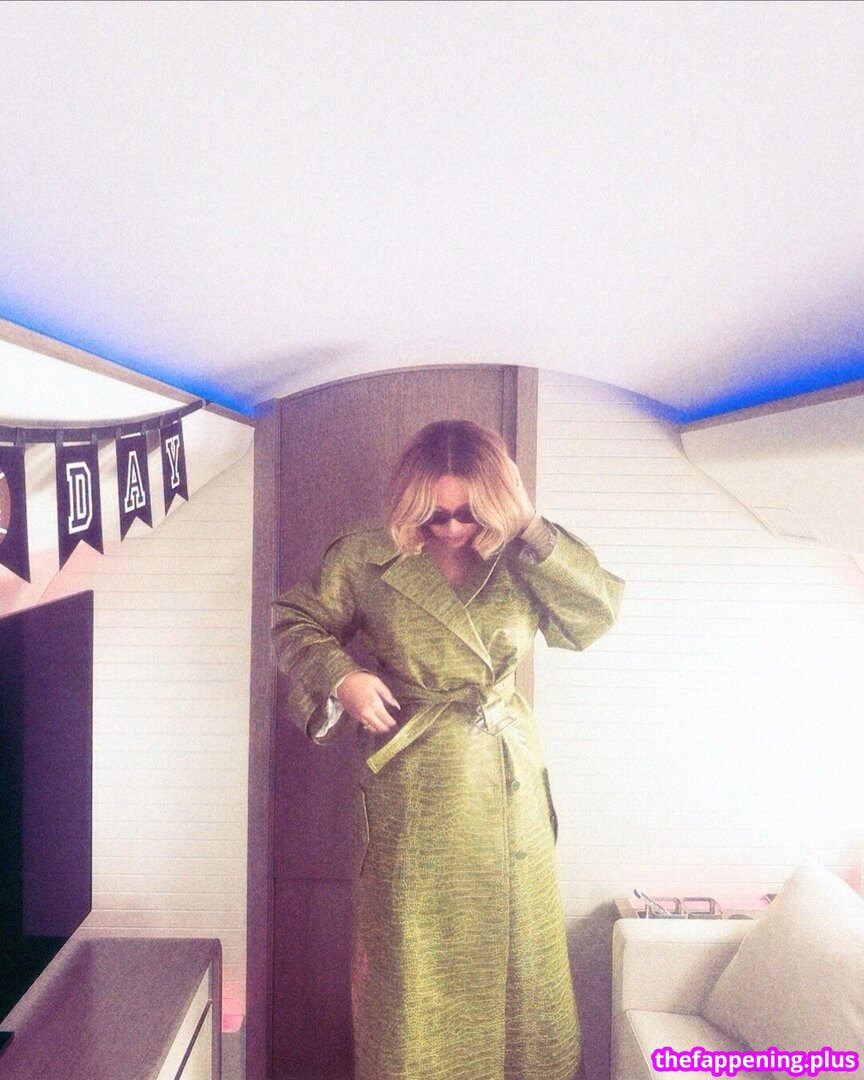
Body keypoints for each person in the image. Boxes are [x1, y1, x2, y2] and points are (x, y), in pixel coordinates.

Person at [271, 419, 625, 1080]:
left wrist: (529, 527)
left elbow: (595, 614)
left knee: (522, 961)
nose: (454, 528)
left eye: (470, 513)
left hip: (506, 780)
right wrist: (342, 678)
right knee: (413, 967)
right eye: (435, 514)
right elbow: (292, 622)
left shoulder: (524, 553)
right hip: (413, 788)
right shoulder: (365, 554)